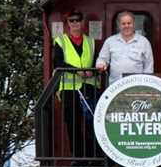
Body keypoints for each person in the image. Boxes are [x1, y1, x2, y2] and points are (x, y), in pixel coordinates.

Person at [53, 9, 98, 159]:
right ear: (67, 24)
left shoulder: (90, 41)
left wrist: (93, 71)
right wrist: (77, 71)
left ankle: (92, 156)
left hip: (89, 87)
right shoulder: (60, 41)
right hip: (69, 89)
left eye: (77, 20)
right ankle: (78, 157)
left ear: (82, 22)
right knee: (73, 125)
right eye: (71, 20)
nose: (75, 23)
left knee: (91, 123)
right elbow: (58, 63)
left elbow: (97, 62)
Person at [96, 11, 154, 83]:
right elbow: (102, 59)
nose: (126, 26)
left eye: (129, 23)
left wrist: (146, 83)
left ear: (133, 24)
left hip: (136, 84)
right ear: (119, 25)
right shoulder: (110, 41)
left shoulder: (144, 42)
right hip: (115, 85)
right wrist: (101, 64)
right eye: (123, 24)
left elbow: (149, 66)